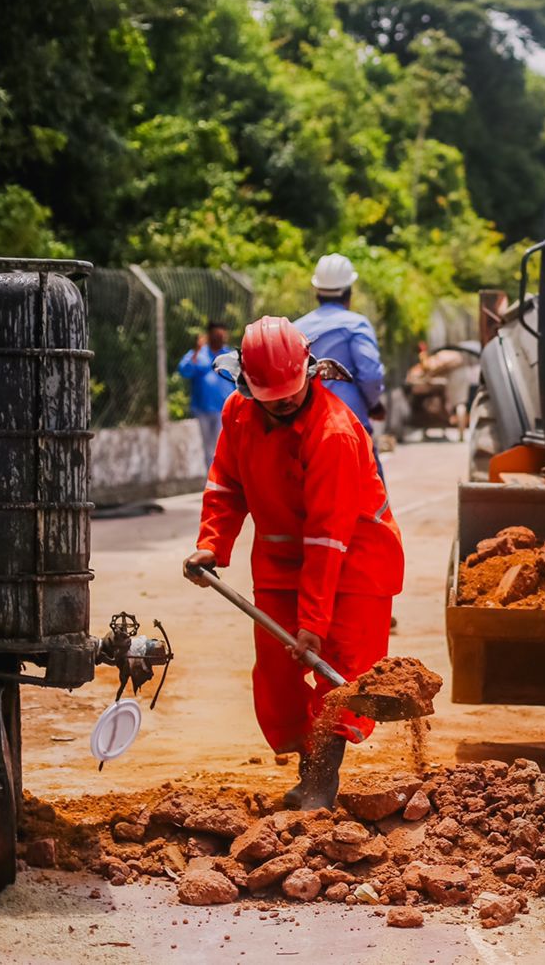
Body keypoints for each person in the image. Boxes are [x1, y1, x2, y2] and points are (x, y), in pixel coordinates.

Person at [181, 316, 404, 808]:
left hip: (355, 563)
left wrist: (314, 623)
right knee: (276, 674)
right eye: (271, 394)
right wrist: (212, 544)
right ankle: (307, 769)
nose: (283, 401)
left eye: (291, 391)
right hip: (283, 562)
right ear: (245, 384)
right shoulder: (238, 413)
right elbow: (226, 484)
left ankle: (320, 782)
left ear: (311, 373)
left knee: (337, 676)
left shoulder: (333, 434)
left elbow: (328, 539)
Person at [294, 254, 386, 435]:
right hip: (350, 423)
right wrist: (374, 405)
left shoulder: (297, 328)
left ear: (317, 292)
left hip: (306, 425)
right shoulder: (356, 325)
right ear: (348, 292)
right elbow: (371, 376)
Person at [176, 321, 236, 468]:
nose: (220, 338)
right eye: (216, 335)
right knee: (208, 446)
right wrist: (196, 350)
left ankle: (224, 475)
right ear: (209, 336)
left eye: (222, 335)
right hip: (202, 408)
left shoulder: (229, 355)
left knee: (222, 444)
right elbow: (184, 371)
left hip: (224, 408)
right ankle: (212, 477)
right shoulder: (199, 354)